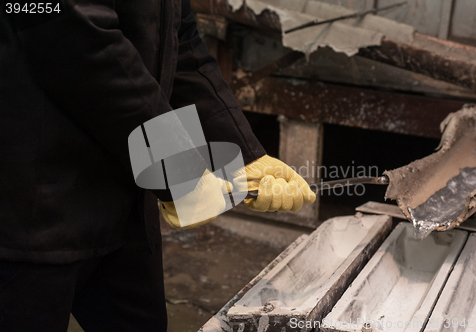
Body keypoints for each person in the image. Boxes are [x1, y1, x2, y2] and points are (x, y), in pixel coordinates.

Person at [0, 0, 316, 331]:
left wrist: (246, 156)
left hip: (125, 200)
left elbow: (181, 45)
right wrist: (179, 170)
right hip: (35, 207)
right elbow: (80, 39)